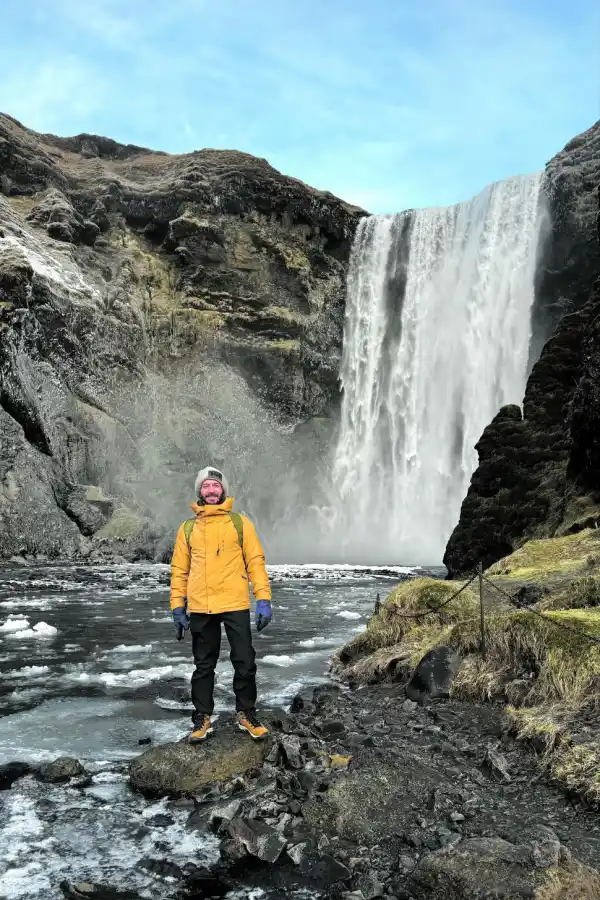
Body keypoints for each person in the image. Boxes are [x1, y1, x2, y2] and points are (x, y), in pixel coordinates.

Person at [170, 466, 273, 743]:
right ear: (199, 493)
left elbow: (255, 562)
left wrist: (263, 598)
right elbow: (180, 570)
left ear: (223, 490)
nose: (211, 490)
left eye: (215, 486)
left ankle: (246, 713)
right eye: (206, 486)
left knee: (245, 660)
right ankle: (202, 717)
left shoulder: (240, 524)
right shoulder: (188, 528)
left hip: (234, 601)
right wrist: (177, 606)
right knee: (204, 665)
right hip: (201, 606)